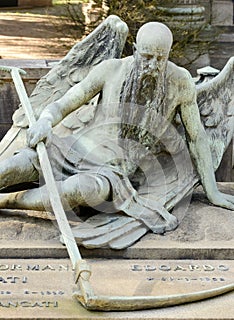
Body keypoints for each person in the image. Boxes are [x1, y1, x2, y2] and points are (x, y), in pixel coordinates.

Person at [0, 21, 233, 238]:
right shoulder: (111, 69)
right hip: (73, 148)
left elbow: (197, 137)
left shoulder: (180, 82)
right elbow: (67, 101)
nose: (152, 66)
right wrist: (46, 120)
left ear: (168, 55)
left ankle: (6, 201)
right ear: (134, 49)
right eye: (147, 57)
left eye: (160, 59)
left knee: (79, 190)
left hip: (111, 174)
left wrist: (212, 191)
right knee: (13, 166)